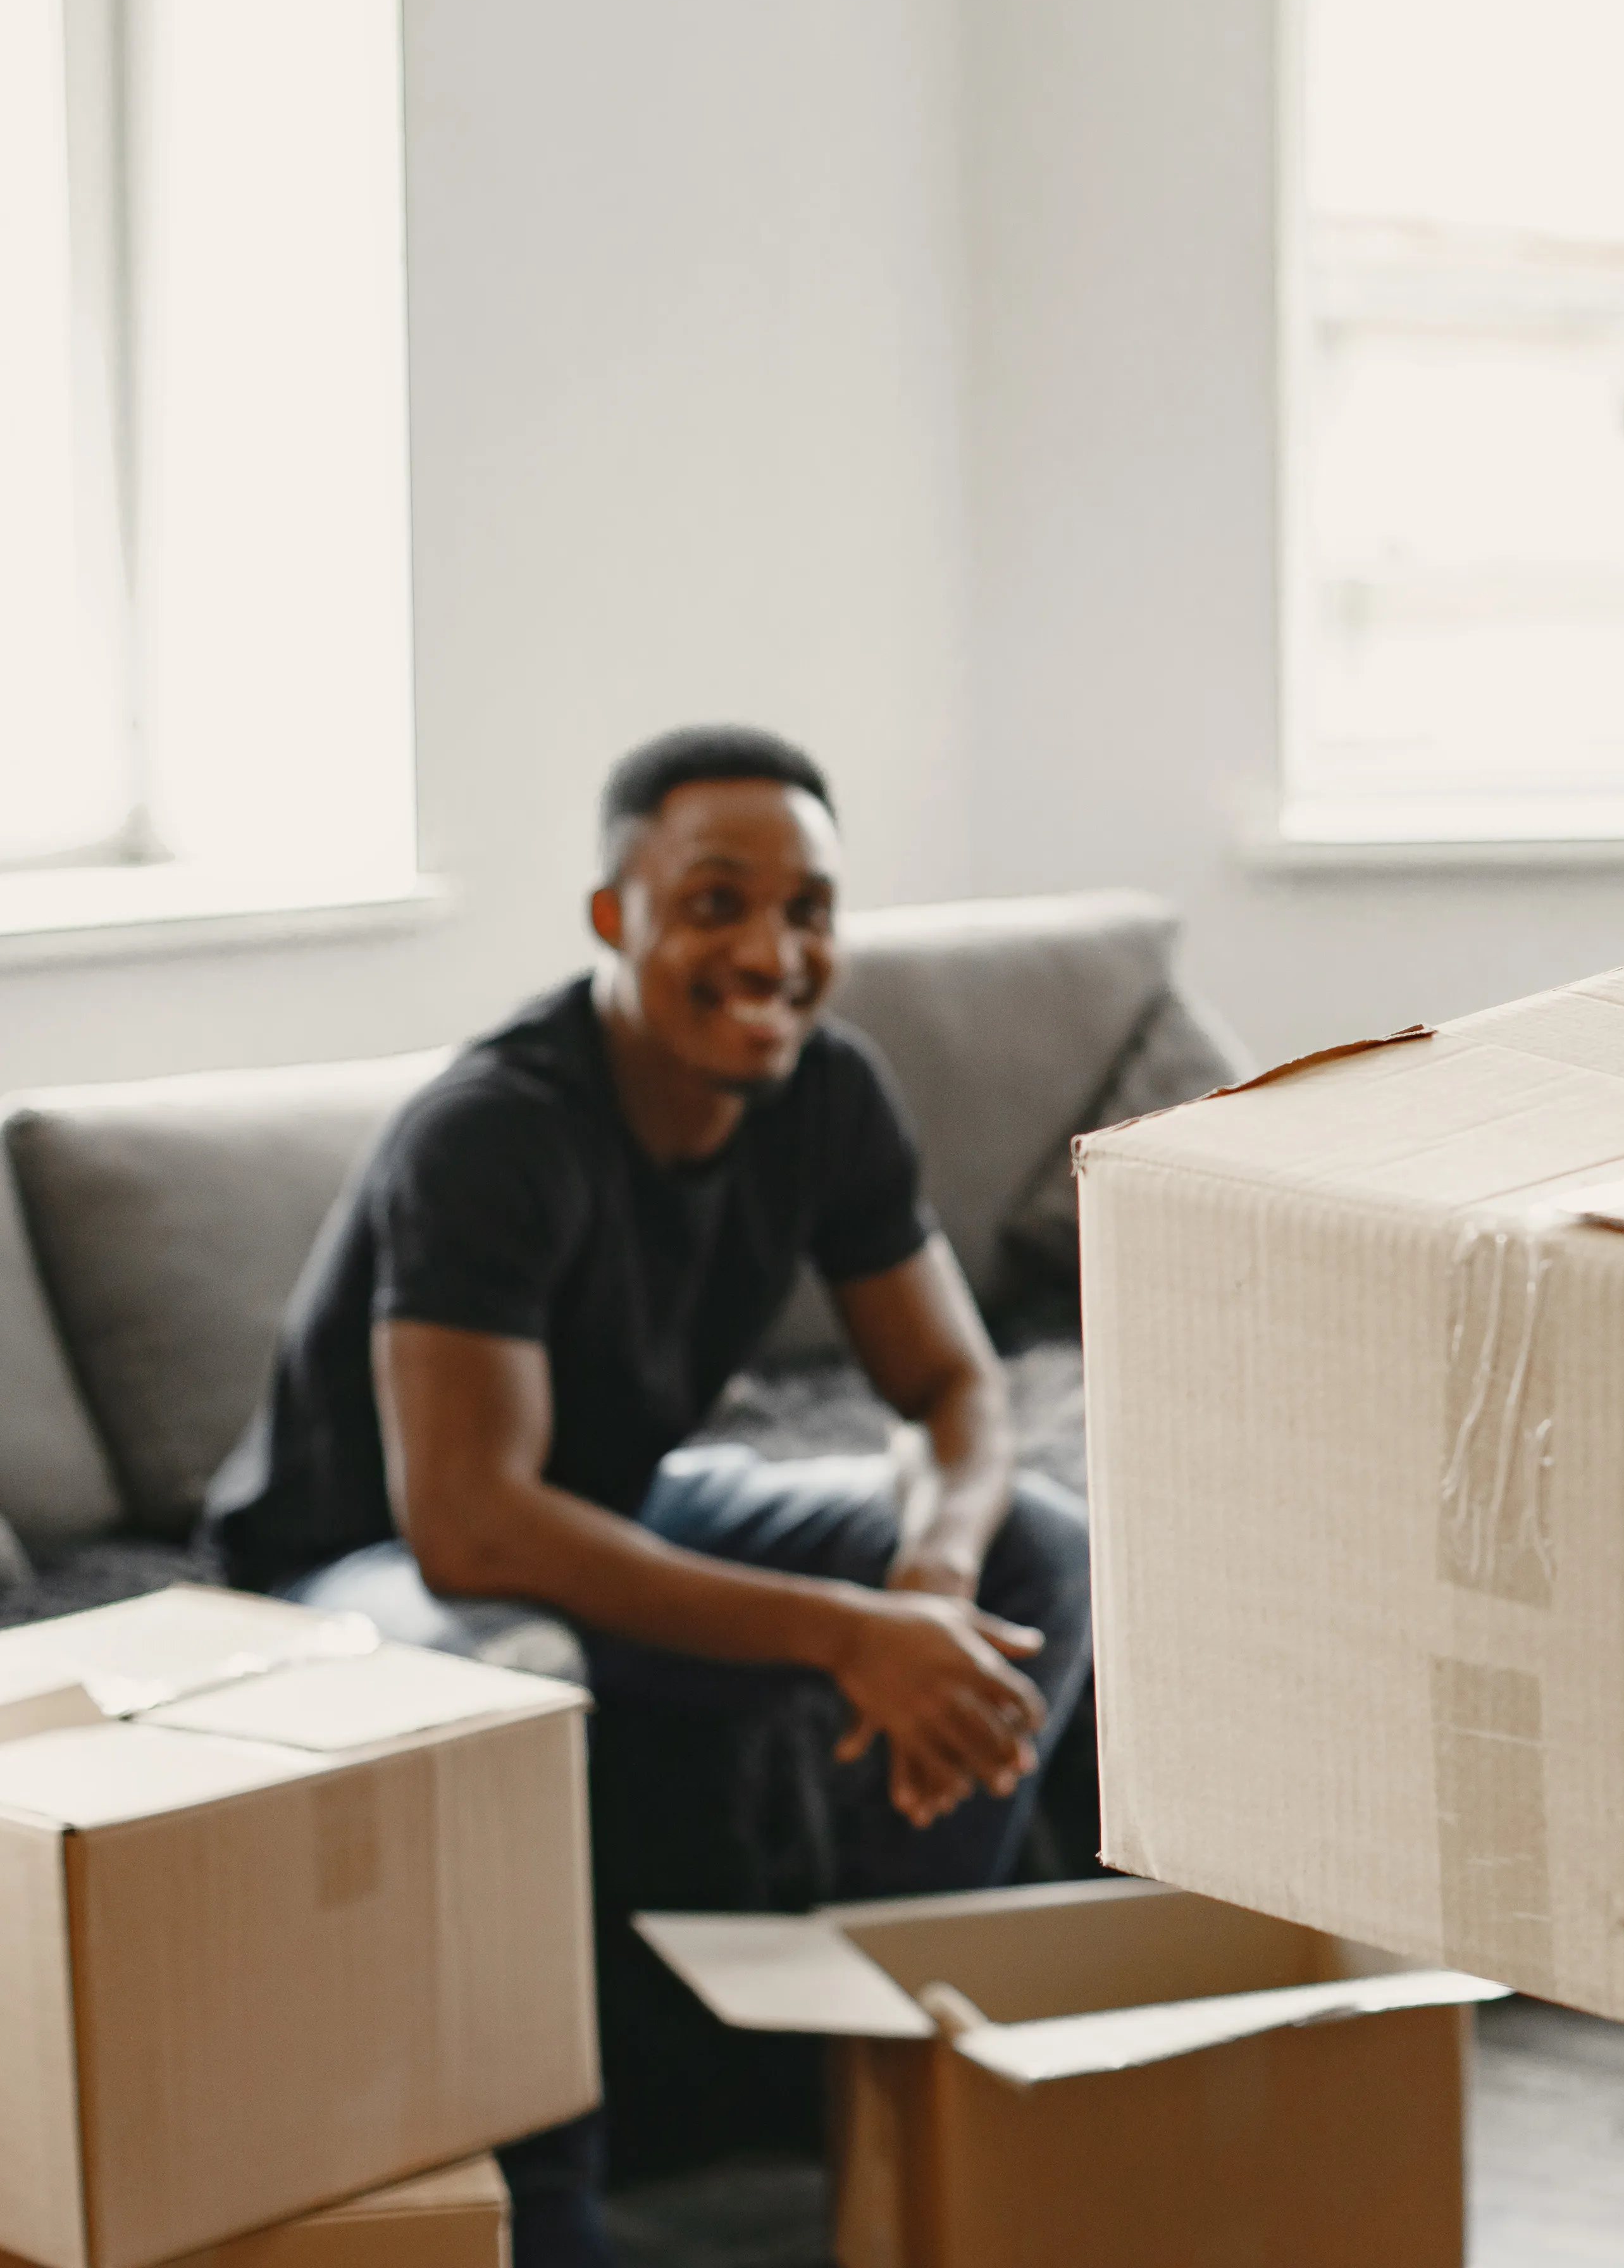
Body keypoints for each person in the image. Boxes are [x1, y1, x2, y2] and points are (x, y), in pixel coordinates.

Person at [201, 726, 1092, 2268]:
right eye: (717, 902)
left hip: (611, 1510)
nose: (772, 949)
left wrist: (931, 1583)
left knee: (1036, 1544)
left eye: (809, 908)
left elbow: (955, 1392)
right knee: (515, 1674)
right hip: (347, 1582)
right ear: (616, 919)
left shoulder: (829, 1096)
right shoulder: (495, 1135)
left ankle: (877, 2050)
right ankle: (546, 2213)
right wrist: (838, 1632)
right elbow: (467, 1525)